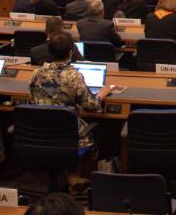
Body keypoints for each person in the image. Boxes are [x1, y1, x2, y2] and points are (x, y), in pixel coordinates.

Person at [29, 31, 117, 193]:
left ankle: (67, 176)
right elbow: (91, 106)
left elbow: (33, 100)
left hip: (39, 133)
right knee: (95, 131)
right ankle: (74, 176)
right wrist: (102, 93)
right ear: (71, 52)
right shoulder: (74, 76)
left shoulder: (36, 74)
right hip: (67, 134)